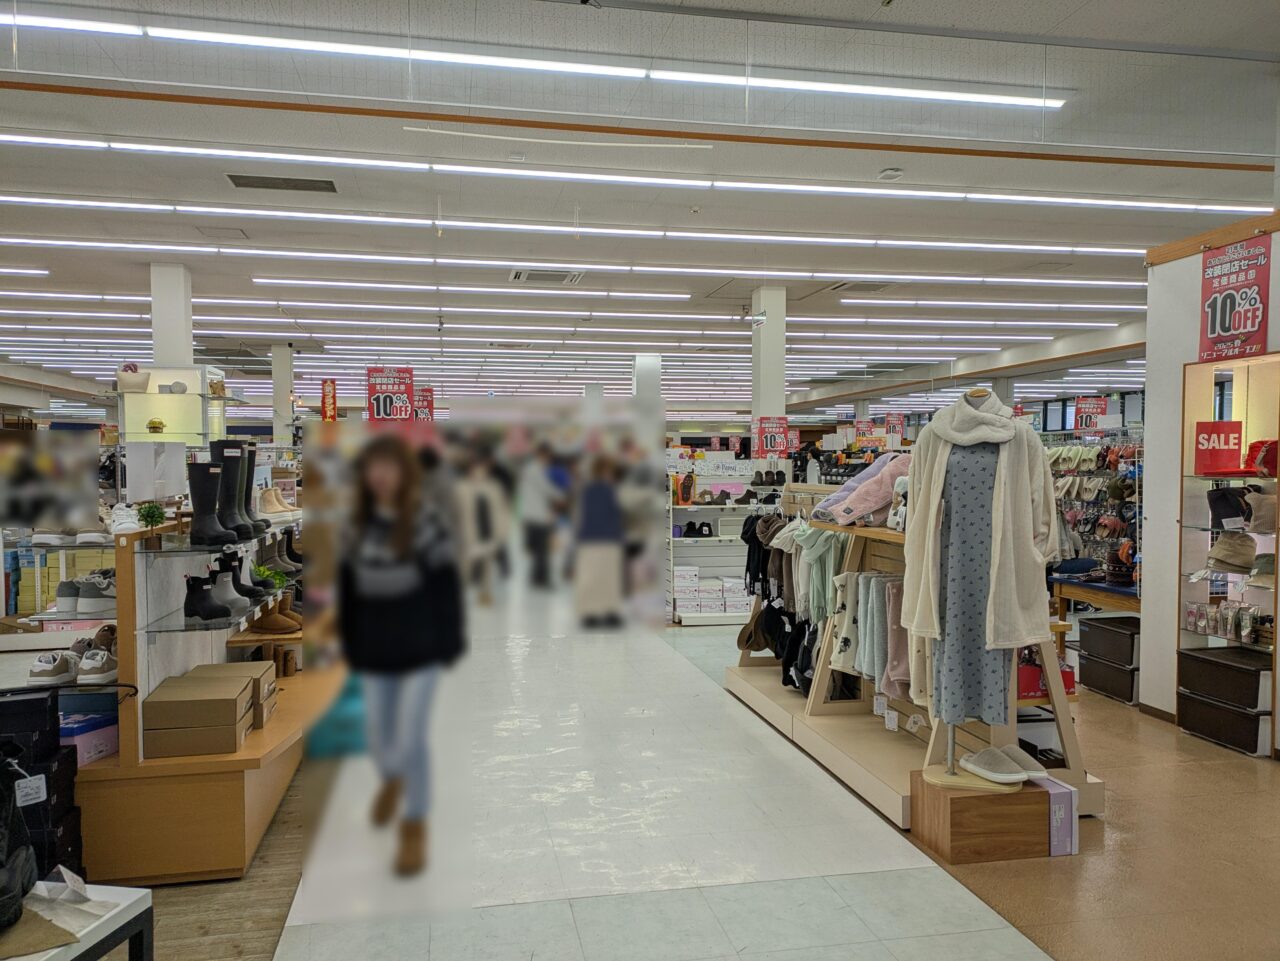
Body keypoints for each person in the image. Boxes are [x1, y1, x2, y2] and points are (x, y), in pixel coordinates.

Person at [338, 434, 464, 877]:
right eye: (374, 467)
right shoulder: (355, 525)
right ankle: (391, 777)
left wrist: (450, 639)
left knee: (412, 736)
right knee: (378, 735)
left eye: (389, 466)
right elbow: (348, 591)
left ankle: (414, 823)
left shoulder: (426, 521)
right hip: (375, 646)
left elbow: (446, 585)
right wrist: (348, 641)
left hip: (420, 644)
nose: (381, 474)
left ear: (404, 473)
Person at [574, 456, 625, 627]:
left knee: (595, 576)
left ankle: (594, 612)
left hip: (592, 539)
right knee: (604, 577)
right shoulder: (606, 490)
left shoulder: (590, 490)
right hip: (605, 539)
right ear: (604, 471)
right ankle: (603, 611)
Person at [459, 449, 510, 605]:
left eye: (482, 470)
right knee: (465, 566)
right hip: (468, 534)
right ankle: (458, 592)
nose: (479, 473)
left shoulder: (494, 487)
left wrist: (502, 531)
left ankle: (485, 593)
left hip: (489, 532)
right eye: (476, 469)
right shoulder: (461, 488)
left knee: (487, 566)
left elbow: (502, 509)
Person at [519, 444, 559, 587]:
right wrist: (561, 495)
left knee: (538, 551)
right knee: (542, 550)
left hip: (533, 516)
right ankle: (543, 580)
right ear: (542, 455)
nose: (549, 460)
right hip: (537, 517)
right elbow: (546, 488)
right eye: (548, 456)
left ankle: (535, 579)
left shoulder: (533, 469)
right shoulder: (534, 469)